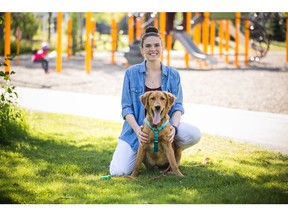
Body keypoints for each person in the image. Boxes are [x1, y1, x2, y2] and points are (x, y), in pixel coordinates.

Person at [109, 26, 201, 176]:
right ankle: (149, 153)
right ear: (142, 50)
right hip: (136, 131)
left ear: (162, 48)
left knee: (193, 133)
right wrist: (138, 130)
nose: (153, 49)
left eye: (157, 45)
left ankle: (169, 150)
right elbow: (126, 108)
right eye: (148, 46)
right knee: (118, 171)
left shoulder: (173, 74)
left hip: (165, 127)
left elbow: (178, 106)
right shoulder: (131, 73)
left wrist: (174, 129)